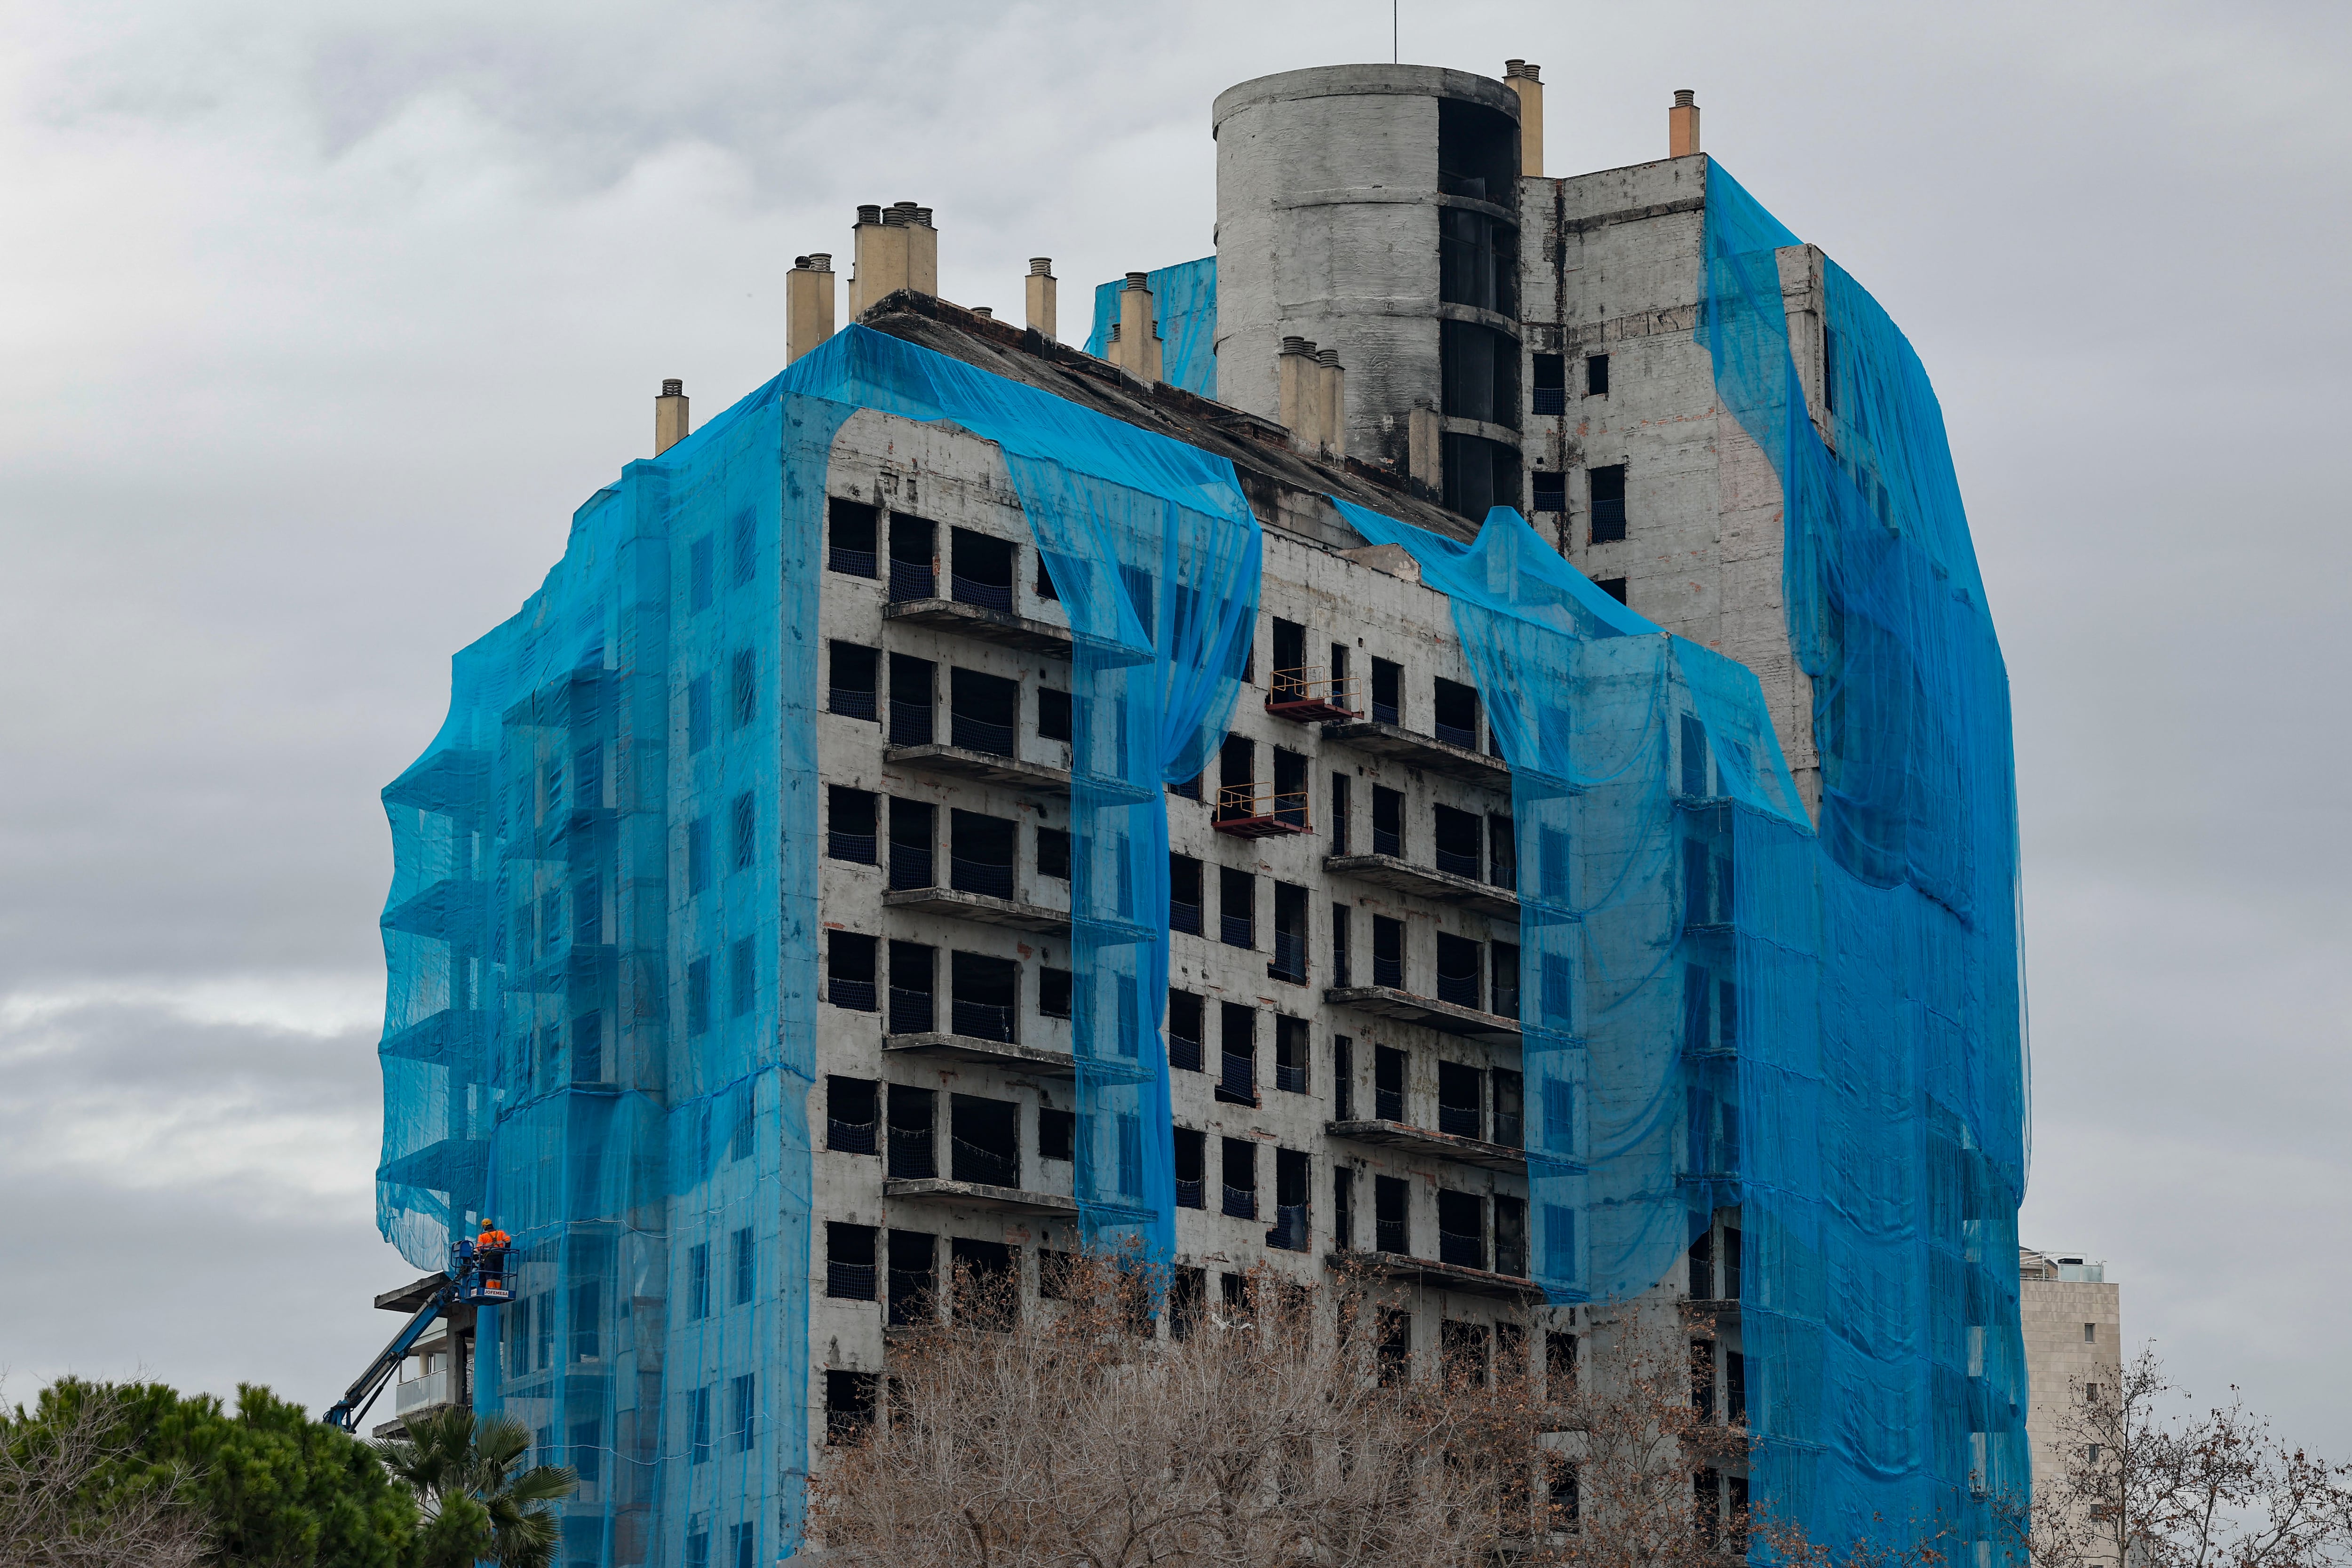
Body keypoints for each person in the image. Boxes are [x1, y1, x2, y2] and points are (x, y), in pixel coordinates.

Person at [474, 1219, 512, 1293]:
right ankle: (497, 1291)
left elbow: (479, 1248)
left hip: (489, 1256)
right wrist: (507, 1249)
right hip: (500, 1256)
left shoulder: (482, 1236)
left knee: (490, 1273)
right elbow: (508, 1240)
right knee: (498, 1273)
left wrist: (479, 1259)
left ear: (485, 1227)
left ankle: (491, 1290)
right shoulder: (500, 1233)